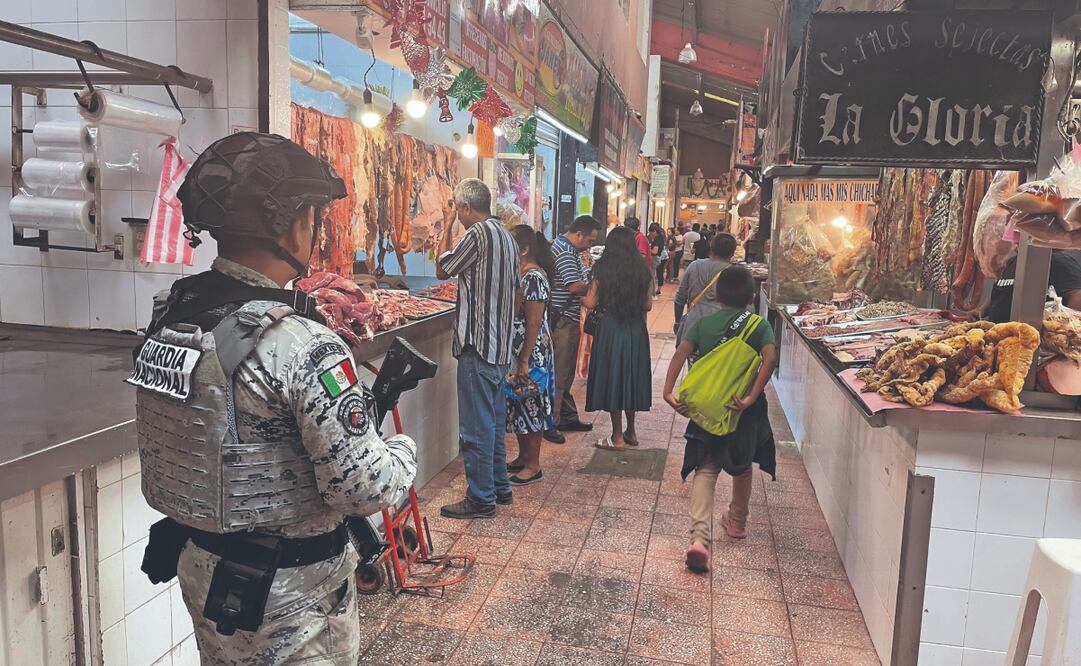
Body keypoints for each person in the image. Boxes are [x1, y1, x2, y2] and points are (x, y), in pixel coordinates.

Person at [129, 133, 417, 665]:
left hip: (204, 570)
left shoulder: (172, 314)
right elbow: (363, 488)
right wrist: (402, 452)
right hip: (291, 594)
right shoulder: (303, 346)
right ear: (295, 222)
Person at [662, 266, 778, 573]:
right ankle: (737, 521)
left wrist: (668, 391)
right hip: (743, 408)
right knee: (743, 465)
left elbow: (679, 355)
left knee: (706, 467)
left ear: (716, 294)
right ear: (752, 297)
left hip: (707, 409)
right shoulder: (759, 326)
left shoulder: (703, 323)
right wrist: (752, 395)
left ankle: (700, 539)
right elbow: (770, 359)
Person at [436, 178, 520, 519]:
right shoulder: (508, 238)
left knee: (475, 429)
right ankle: (500, 488)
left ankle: (481, 498)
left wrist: (445, 228)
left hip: (478, 348)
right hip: (499, 349)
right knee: (493, 425)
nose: (458, 214)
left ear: (465, 207)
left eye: (458, 209)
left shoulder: (478, 233)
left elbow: (443, 269)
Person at [585, 226, 654, 450]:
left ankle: (616, 437)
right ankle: (631, 431)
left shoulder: (602, 269)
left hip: (610, 329)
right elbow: (648, 305)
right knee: (631, 377)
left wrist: (577, 297)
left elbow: (590, 303)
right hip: (635, 329)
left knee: (613, 375)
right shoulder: (642, 272)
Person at [506, 225, 556, 486]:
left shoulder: (533, 278)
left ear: (523, 249)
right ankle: (523, 456)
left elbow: (534, 322)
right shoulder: (523, 276)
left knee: (531, 402)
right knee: (519, 401)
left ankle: (533, 465)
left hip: (532, 350)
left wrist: (525, 359)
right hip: (522, 349)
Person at [546, 215, 601, 444]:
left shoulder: (566, 248)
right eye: (589, 240)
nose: (589, 245)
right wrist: (597, 286)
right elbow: (575, 286)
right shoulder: (566, 252)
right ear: (579, 234)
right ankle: (551, 423)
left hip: (565, 317)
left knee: (566, 371)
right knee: (560, 372)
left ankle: (567, 416)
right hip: (563, 321)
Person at [674, 232, 737, 343]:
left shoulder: (695, 266)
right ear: (732, 253)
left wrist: (678, 321)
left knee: (693, 358)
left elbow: (680, 298)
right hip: (721, 329)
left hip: (693, 324)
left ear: (711, 248)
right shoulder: (734, 273)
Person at [985, 249, 1081, 322]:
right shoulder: (1012, 261)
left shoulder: (1060, 261)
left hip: (1031, 341)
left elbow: (1077, 295)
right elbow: (1002, 289)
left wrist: (1064, 327)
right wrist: (981, 310)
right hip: (997, 337)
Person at [648, 223, 667, 295]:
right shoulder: (661, 237)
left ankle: (652, 293)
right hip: (659, 257)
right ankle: (654, 292)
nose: (650, 234)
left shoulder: (656, 239)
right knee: (656, 274)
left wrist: (648, 248)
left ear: (655, 231)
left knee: (652, 275)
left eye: (651, 232)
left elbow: (655, 251)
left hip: (655, 258)